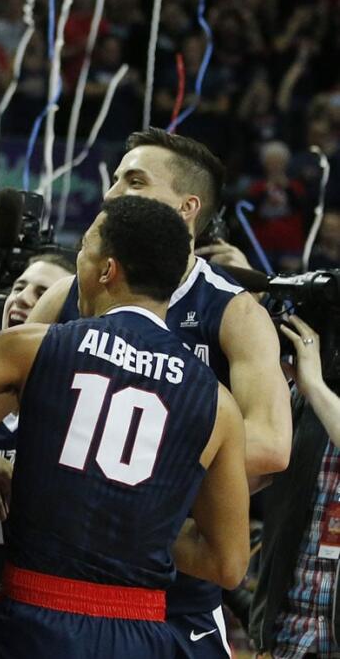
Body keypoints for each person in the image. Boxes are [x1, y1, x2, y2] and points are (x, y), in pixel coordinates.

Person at [0, 196, 251, 658]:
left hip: (35, 621)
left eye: (83, 250)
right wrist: (141, 527)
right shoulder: (218, 402)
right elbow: (228, 564)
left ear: (107, 270)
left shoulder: (37, 345)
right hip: (140, 634)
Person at [28, 127, 291, 656]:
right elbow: (1, 413)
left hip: (170, 593)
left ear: (186, 206)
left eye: (134, 180)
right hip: (57, 576)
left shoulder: (234, 310)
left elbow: (271, 445)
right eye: (115, 179)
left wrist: (130, 473)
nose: (112, 193)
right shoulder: (67, 292)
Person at [0, 249, 76, 600]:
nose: (22, 298)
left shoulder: (74, 406)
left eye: (40, 292)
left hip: (39, 596)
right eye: (20, 286)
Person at [249, 315, 340, 658]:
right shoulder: (309, 403)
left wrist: (315, 386)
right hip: (290, 639)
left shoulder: (316, 395)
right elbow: (247, 483)